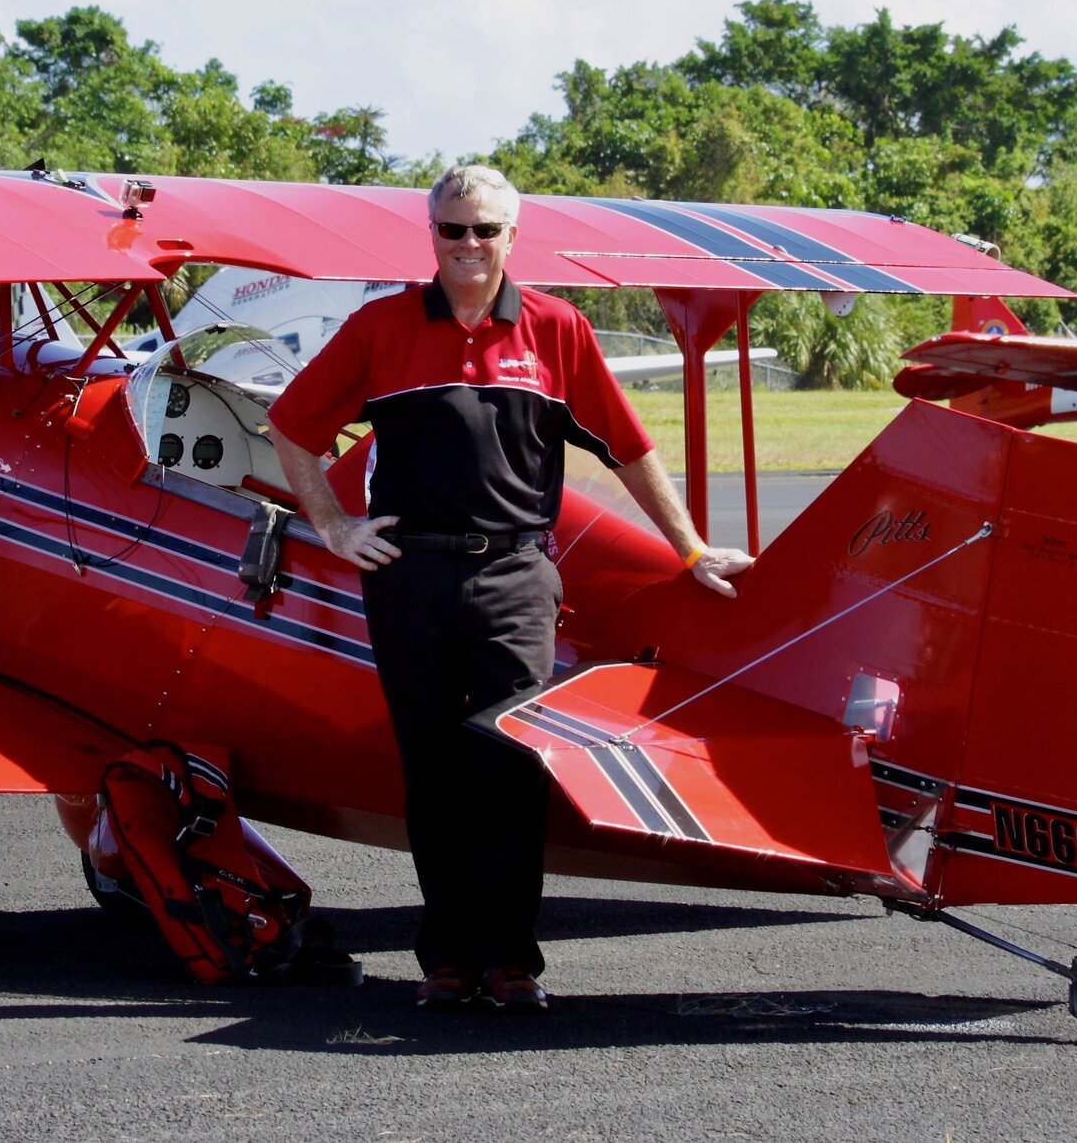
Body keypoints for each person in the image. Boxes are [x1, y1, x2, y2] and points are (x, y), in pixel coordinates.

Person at [269, 164, 755, 1014]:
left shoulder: (556, 329)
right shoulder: (380, 327)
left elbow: (628, 447)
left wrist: (689, 549)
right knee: (431, 768)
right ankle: (446, 961)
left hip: (516, 574)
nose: (468, 245)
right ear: (431, 236)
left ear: (511, 237)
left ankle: (510, 963)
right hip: (408, 573)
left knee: (510, 767)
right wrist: (335, 529)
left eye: (485, 230)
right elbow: (293, 425)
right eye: (452, 230)